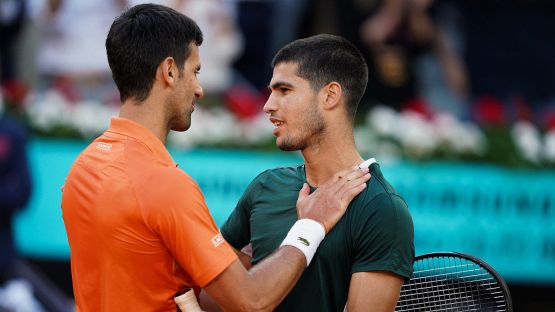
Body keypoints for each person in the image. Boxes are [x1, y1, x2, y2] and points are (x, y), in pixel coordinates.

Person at [60, 4, 370, 311]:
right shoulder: (165, 185)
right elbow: (252, 300)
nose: (199, 89)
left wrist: (250, 256)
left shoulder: (83, 167)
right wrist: (311, 226)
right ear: (169, 71)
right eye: (194, 72)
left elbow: (177, 287)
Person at [221, 34, 415, 311]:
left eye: (284, 90)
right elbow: (216, 297)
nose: (268, 105)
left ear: (330, 95)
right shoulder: (265, 186)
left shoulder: (382, 209)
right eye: (271, 91)